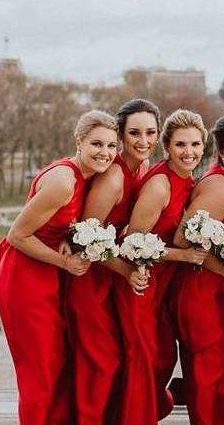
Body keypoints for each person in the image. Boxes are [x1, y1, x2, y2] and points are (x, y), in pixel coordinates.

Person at [0, 110, 118, 424]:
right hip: (25, 276)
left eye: (111, 145)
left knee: (58, 364)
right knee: (40, 373)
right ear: (78, 142)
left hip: (49, 274)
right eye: (96, 144)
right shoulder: (64, 181)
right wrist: (65, 261)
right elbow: (17, 235)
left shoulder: (90, 177)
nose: (105, 152)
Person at [65, 98, 160, 425]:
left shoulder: (144, 168)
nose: (143, 141)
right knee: (101, 361)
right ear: (121, 135)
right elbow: (84, 236)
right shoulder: (114, 177)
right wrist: (124, 270)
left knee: (124, 357)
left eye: (150, 132)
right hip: (92, 281)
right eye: (134, 133)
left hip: (114, 281)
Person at [114, 109, 208, 425]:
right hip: (142, 282)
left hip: (166, 285)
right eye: (181, 145)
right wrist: (182, 257)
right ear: (166, 147)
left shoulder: (189, 179)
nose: (189, 152)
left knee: (164, 357)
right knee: (146, 359)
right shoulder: (160, 185)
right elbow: (134, 242)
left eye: (196, 144)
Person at [172, 114, 224, 425]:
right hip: (204, 293)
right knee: (210, 374)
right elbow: (182, 238)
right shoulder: (220, 186)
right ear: (221, 152)